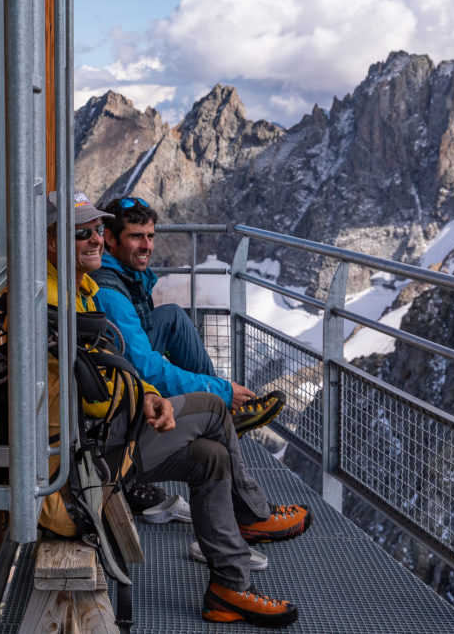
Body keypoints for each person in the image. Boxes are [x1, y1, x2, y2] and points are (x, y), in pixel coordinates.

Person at [42, 190, 311, 627]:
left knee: (212, 456)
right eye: (83, 233)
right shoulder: (65, 302)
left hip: (94, 446)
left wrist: (148, 396)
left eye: (96, 228)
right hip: (80, 472)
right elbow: (97, 392)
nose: (94, 239)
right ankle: (252, 515)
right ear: (52, 243)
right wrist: (156, 395)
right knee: (211, 410)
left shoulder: (81, 289)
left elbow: (107, 380)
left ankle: (228, 587)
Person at [92, 195, 283, 433]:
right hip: (119, 380)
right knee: (165, 350)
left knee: (172, 316)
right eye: (135, 236)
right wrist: (219, 389)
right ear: (110, 238)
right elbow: (145, 368)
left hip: (120, 361)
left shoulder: (121, 274)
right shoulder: (111, 294)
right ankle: (220, 411)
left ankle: (222, 411)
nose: (146, 246)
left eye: (150, 236)